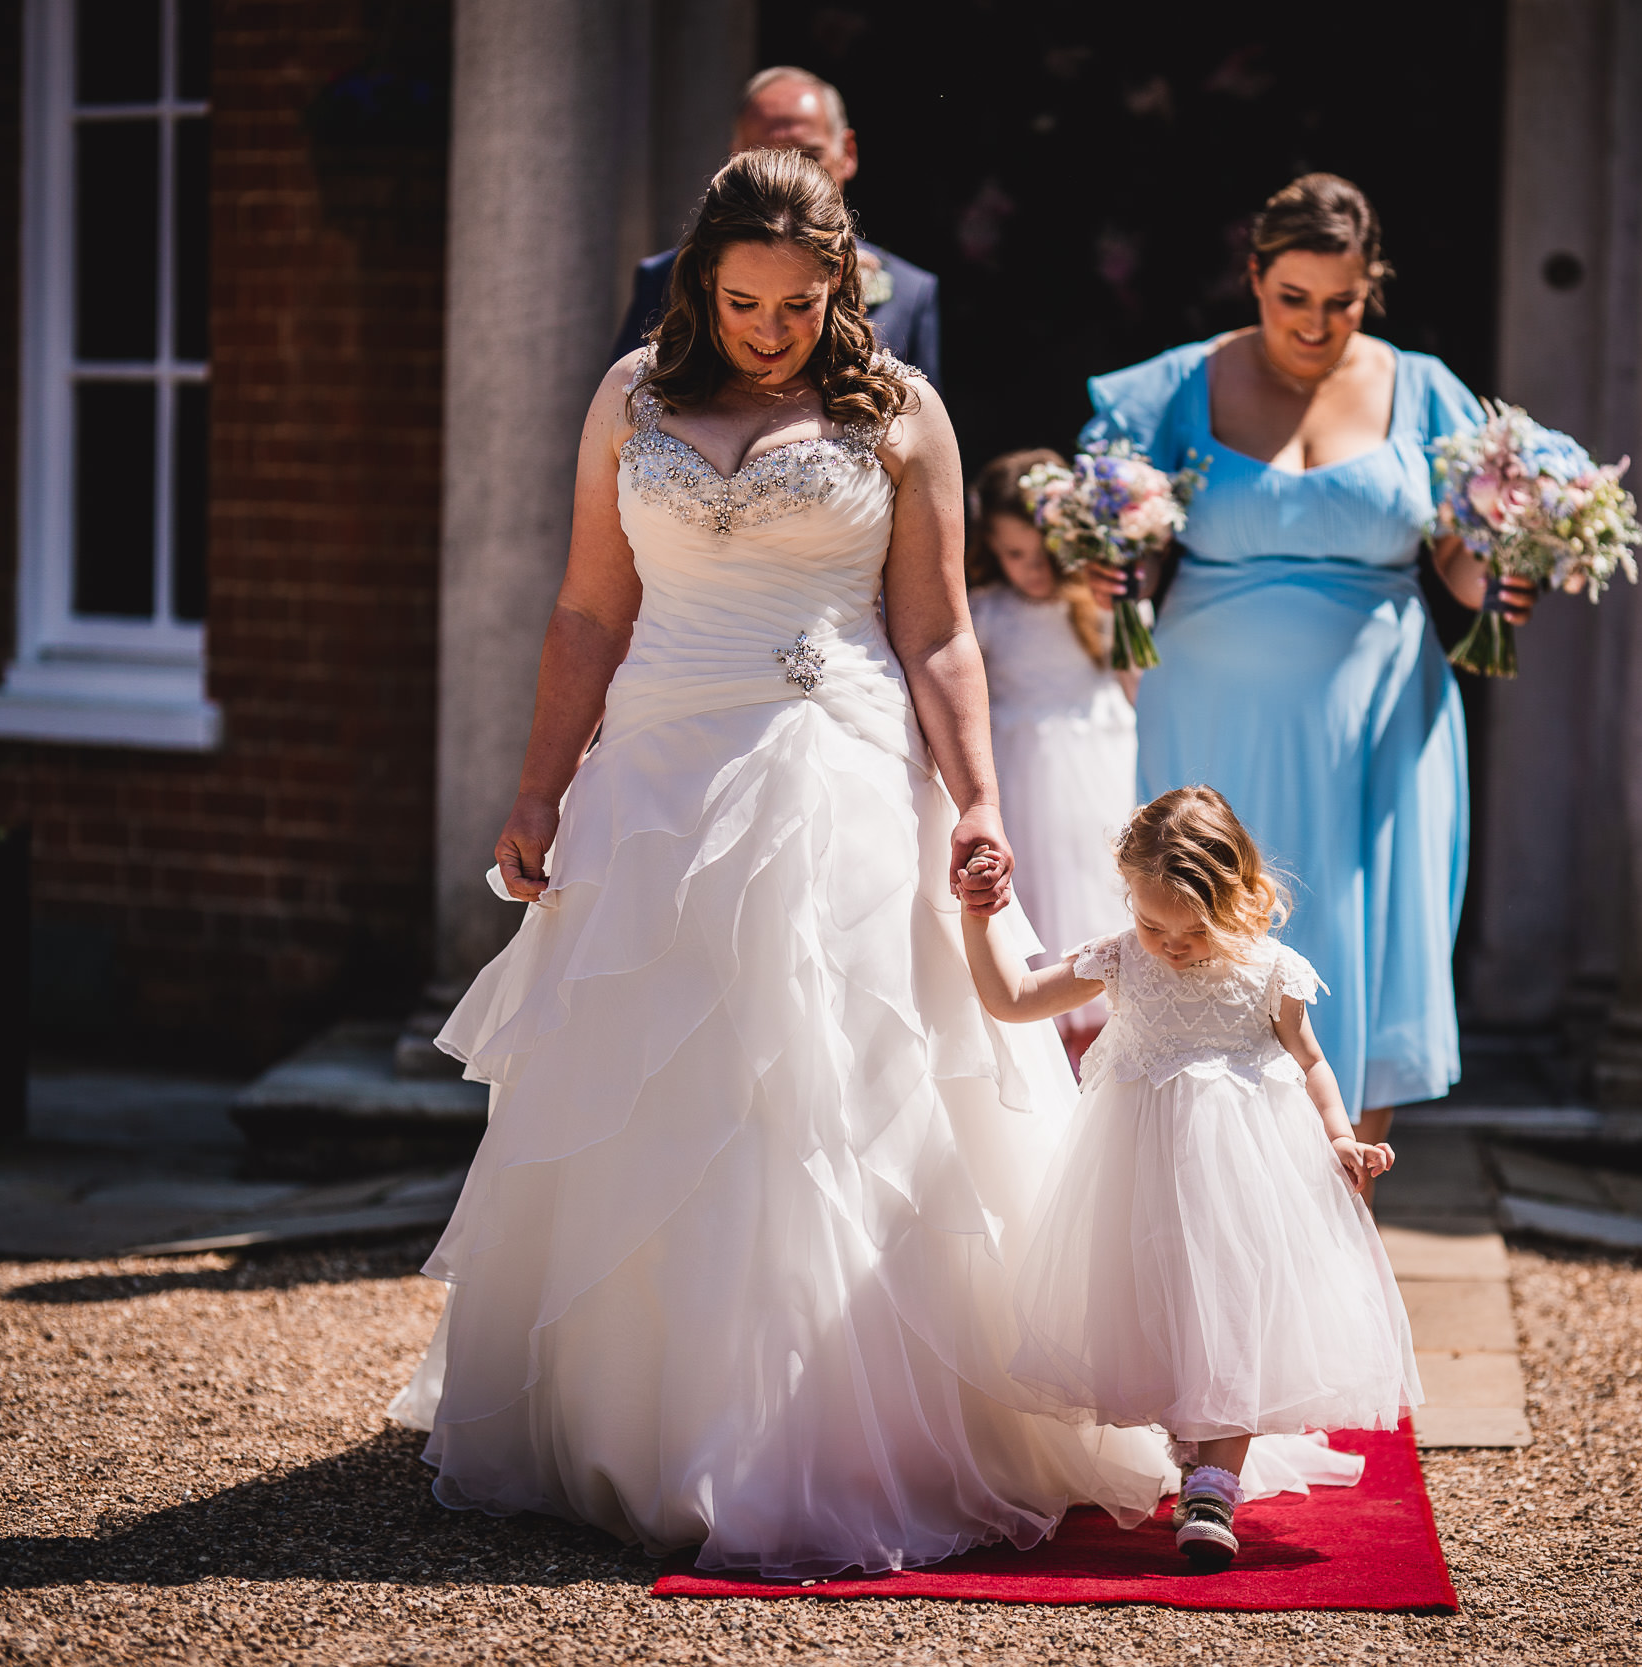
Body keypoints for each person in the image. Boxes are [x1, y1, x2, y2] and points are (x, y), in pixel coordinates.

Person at [385, 147, 1176, 1578]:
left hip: (840, 754)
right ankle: (645, 1418)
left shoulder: (901, 414)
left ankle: (832, 1427)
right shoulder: (629, 398)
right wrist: (536, 790)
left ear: (841, 286)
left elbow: (937, 631)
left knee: (825, 1070)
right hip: (659, 763)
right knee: (660, 1075)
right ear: (702, 281)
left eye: (800, 304)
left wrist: (982, 803)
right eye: (745, 300)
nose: (770, 328)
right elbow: (583, 613)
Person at [1080, 174, 1532, 1140]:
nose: (1317, 325)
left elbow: (1456, 559)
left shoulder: (1424, 389)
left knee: (1361, 933)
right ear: (1253, 277)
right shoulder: (1176, 386)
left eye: (1343, 303)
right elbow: (1128, 540)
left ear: (1371, 289)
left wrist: (1502, 575)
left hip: (1378, 713)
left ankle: (1345, 1191)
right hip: (1211, 710)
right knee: (1204, 923)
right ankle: (1197, 1167)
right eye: (1293, 298)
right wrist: (1111, 565)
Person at [957, 786, 1419, 1570]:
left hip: (1246, 1173)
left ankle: (1213, 1482)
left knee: (1234, 1299)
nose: (1169, 945)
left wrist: (1340, 1137)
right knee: (1163, 1303)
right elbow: (1012, 998)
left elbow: (1309, 1060)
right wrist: (979, 918)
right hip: (1139, 1172)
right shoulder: (1121, 957)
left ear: (1239, 896)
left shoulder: (1269, 969)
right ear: (1128, 897)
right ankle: (1187, 1444)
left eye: (1192, 930)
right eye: (1150, 923)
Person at [964, 447, 1138, 1064]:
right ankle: (1040, 1023)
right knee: (1037, 879)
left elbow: (1137, 681)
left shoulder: (1097, 605)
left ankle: (1103, 1027)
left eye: (1043, 555)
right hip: (1020, 763)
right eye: (1015, 555)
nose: (1032, 570)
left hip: (1098, 759)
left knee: (1097, 873)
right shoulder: (986, 610)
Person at [611, 66, 940, 384]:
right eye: (762, 156)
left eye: (808, 157)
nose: (786, 174)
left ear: (848, 153)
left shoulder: (912, 291)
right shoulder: (662, 278)